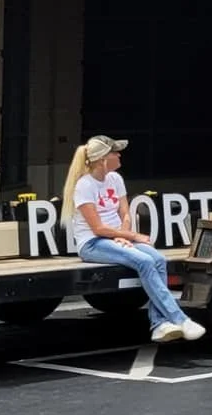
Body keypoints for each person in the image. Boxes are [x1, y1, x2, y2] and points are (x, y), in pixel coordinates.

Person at [66, 136, 204, 345]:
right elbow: (98, 228)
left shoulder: (116, 179)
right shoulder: (84, 186)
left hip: (116, 238)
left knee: (157, 259)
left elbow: (126, 214)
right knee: (145, 261)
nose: (119, 155)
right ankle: (180, 319)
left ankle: (159, 324)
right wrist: (131, 237)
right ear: (103, 159)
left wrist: (123, 235)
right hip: (93, 243)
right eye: (115, 152)